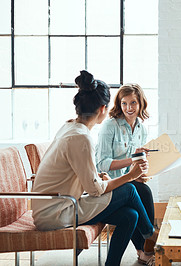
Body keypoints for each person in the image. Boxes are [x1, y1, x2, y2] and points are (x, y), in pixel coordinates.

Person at [31, 70, 157, 266]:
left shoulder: (70, 127)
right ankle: (150, 234)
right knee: (130, 189)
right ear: (103, 109)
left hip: (59, 204)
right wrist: (131, 175)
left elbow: (77, 171)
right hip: (58, 211)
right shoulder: (81, 137)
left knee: (130, 216)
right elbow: (94, 190)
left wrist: (98, 175)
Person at [95, 83, 155, 263]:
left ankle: (144, 249)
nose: (129, 108)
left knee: (142, 189)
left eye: (133, 103)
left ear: (141, 104)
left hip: (128, 182)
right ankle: (148, 242)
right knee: (141, 192)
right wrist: (133, 160)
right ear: (119, 105)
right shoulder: (110, 126)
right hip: (109, 185)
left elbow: (133, 169)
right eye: (124, 103)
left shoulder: (141, 129)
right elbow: (102, 164)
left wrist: (141, 172)